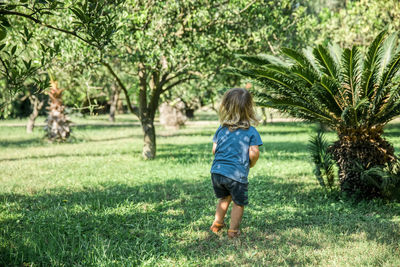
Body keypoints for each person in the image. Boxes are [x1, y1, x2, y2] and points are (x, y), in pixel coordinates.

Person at [210, 88, 263, 238]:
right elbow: (254, 153)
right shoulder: (251, 131)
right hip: (236, 175)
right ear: (249, 109)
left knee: (224, 198)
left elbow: (214, 150)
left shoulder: (221, 130)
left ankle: (217, 224)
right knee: (238, 203)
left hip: (217, 172)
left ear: (226, 107)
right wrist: (250, 164)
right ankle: (233, 231)